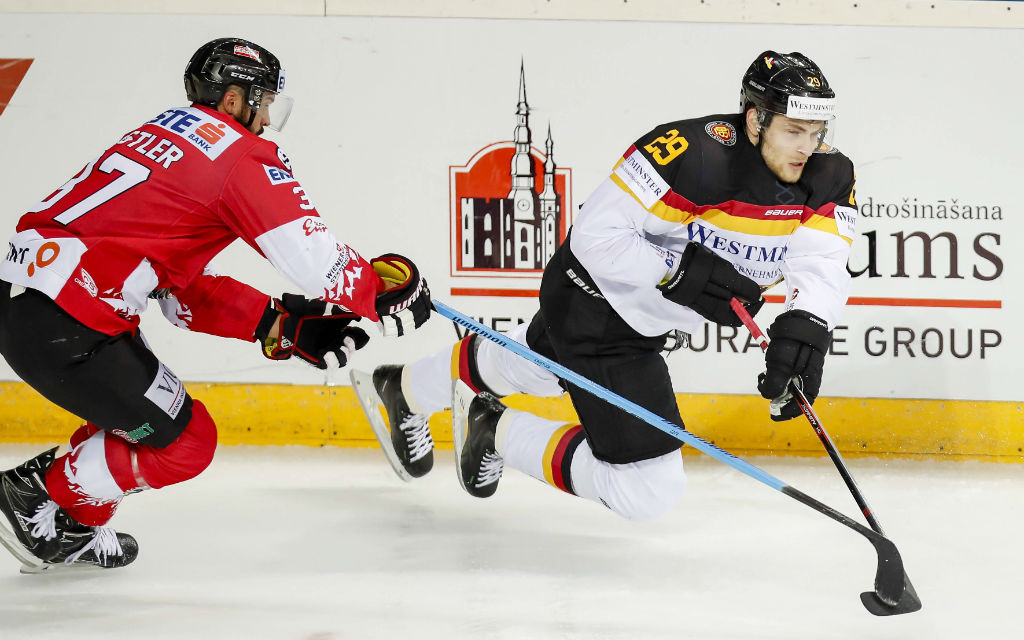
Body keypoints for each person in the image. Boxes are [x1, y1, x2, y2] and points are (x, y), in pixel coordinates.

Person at [352, 50, 855, 521]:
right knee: (647, 489)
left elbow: (823, 258)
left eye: (817, 131)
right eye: (794, 131)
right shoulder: (688, 153)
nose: (809, 146)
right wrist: (681, 272)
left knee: (539, 367)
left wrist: (806, 326)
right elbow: (595, 237)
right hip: (598, 304)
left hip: (641, 314)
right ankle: (494, 429)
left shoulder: (829, 173)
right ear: (755, 120)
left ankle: (403, 388)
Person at [0, 37, 431, 572]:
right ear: (233, 99)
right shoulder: (238, 153)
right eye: (265, 101)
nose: (269, 119)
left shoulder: (162, 134)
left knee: (134, 420)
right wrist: (376, 294)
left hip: (28, 306)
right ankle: (36, 494)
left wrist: (277, 323)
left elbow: (180, 294)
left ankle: (72, 526)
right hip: (72, 323)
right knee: (187, 444)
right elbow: (311, 258)